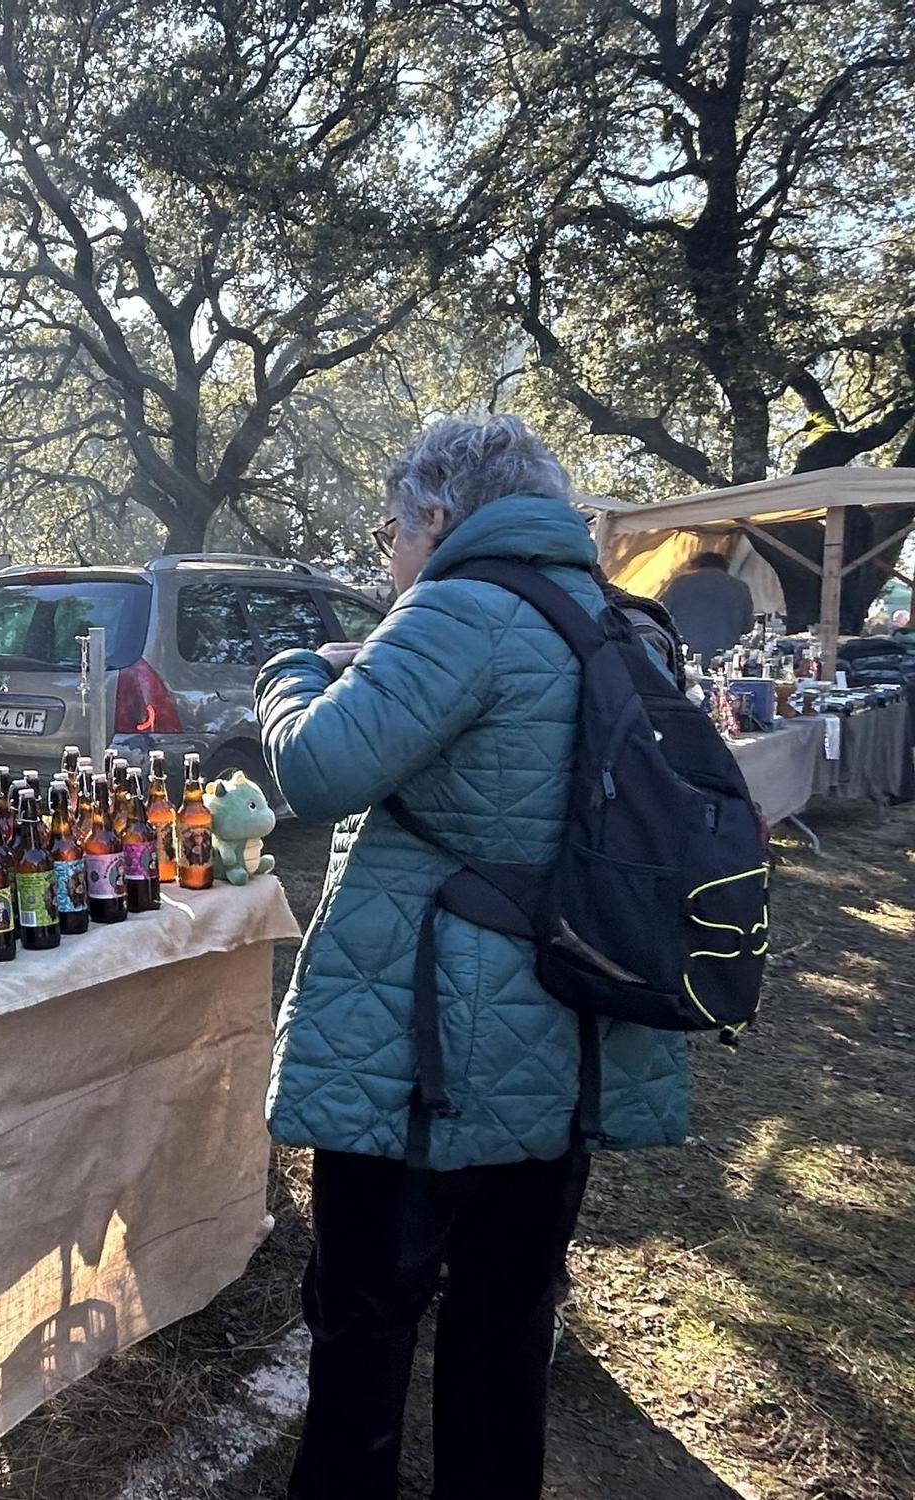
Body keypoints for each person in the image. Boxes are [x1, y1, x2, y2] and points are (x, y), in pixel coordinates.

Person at [254, 416, 689, 1500]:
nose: (387, 555)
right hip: (568, 1020)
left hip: (427, 1052)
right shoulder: (618, 618)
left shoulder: (453, 608)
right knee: (505, 1323)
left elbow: (313, 769)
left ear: (437, 517)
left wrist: (292, 670)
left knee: (364, 1318)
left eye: (389, 531)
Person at [659, 550, 754, 662]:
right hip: (724, 657)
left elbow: (662, 617)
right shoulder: (740, 587)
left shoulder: (679, 584)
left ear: (697, 565)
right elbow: (747, 627)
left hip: (686, 653)